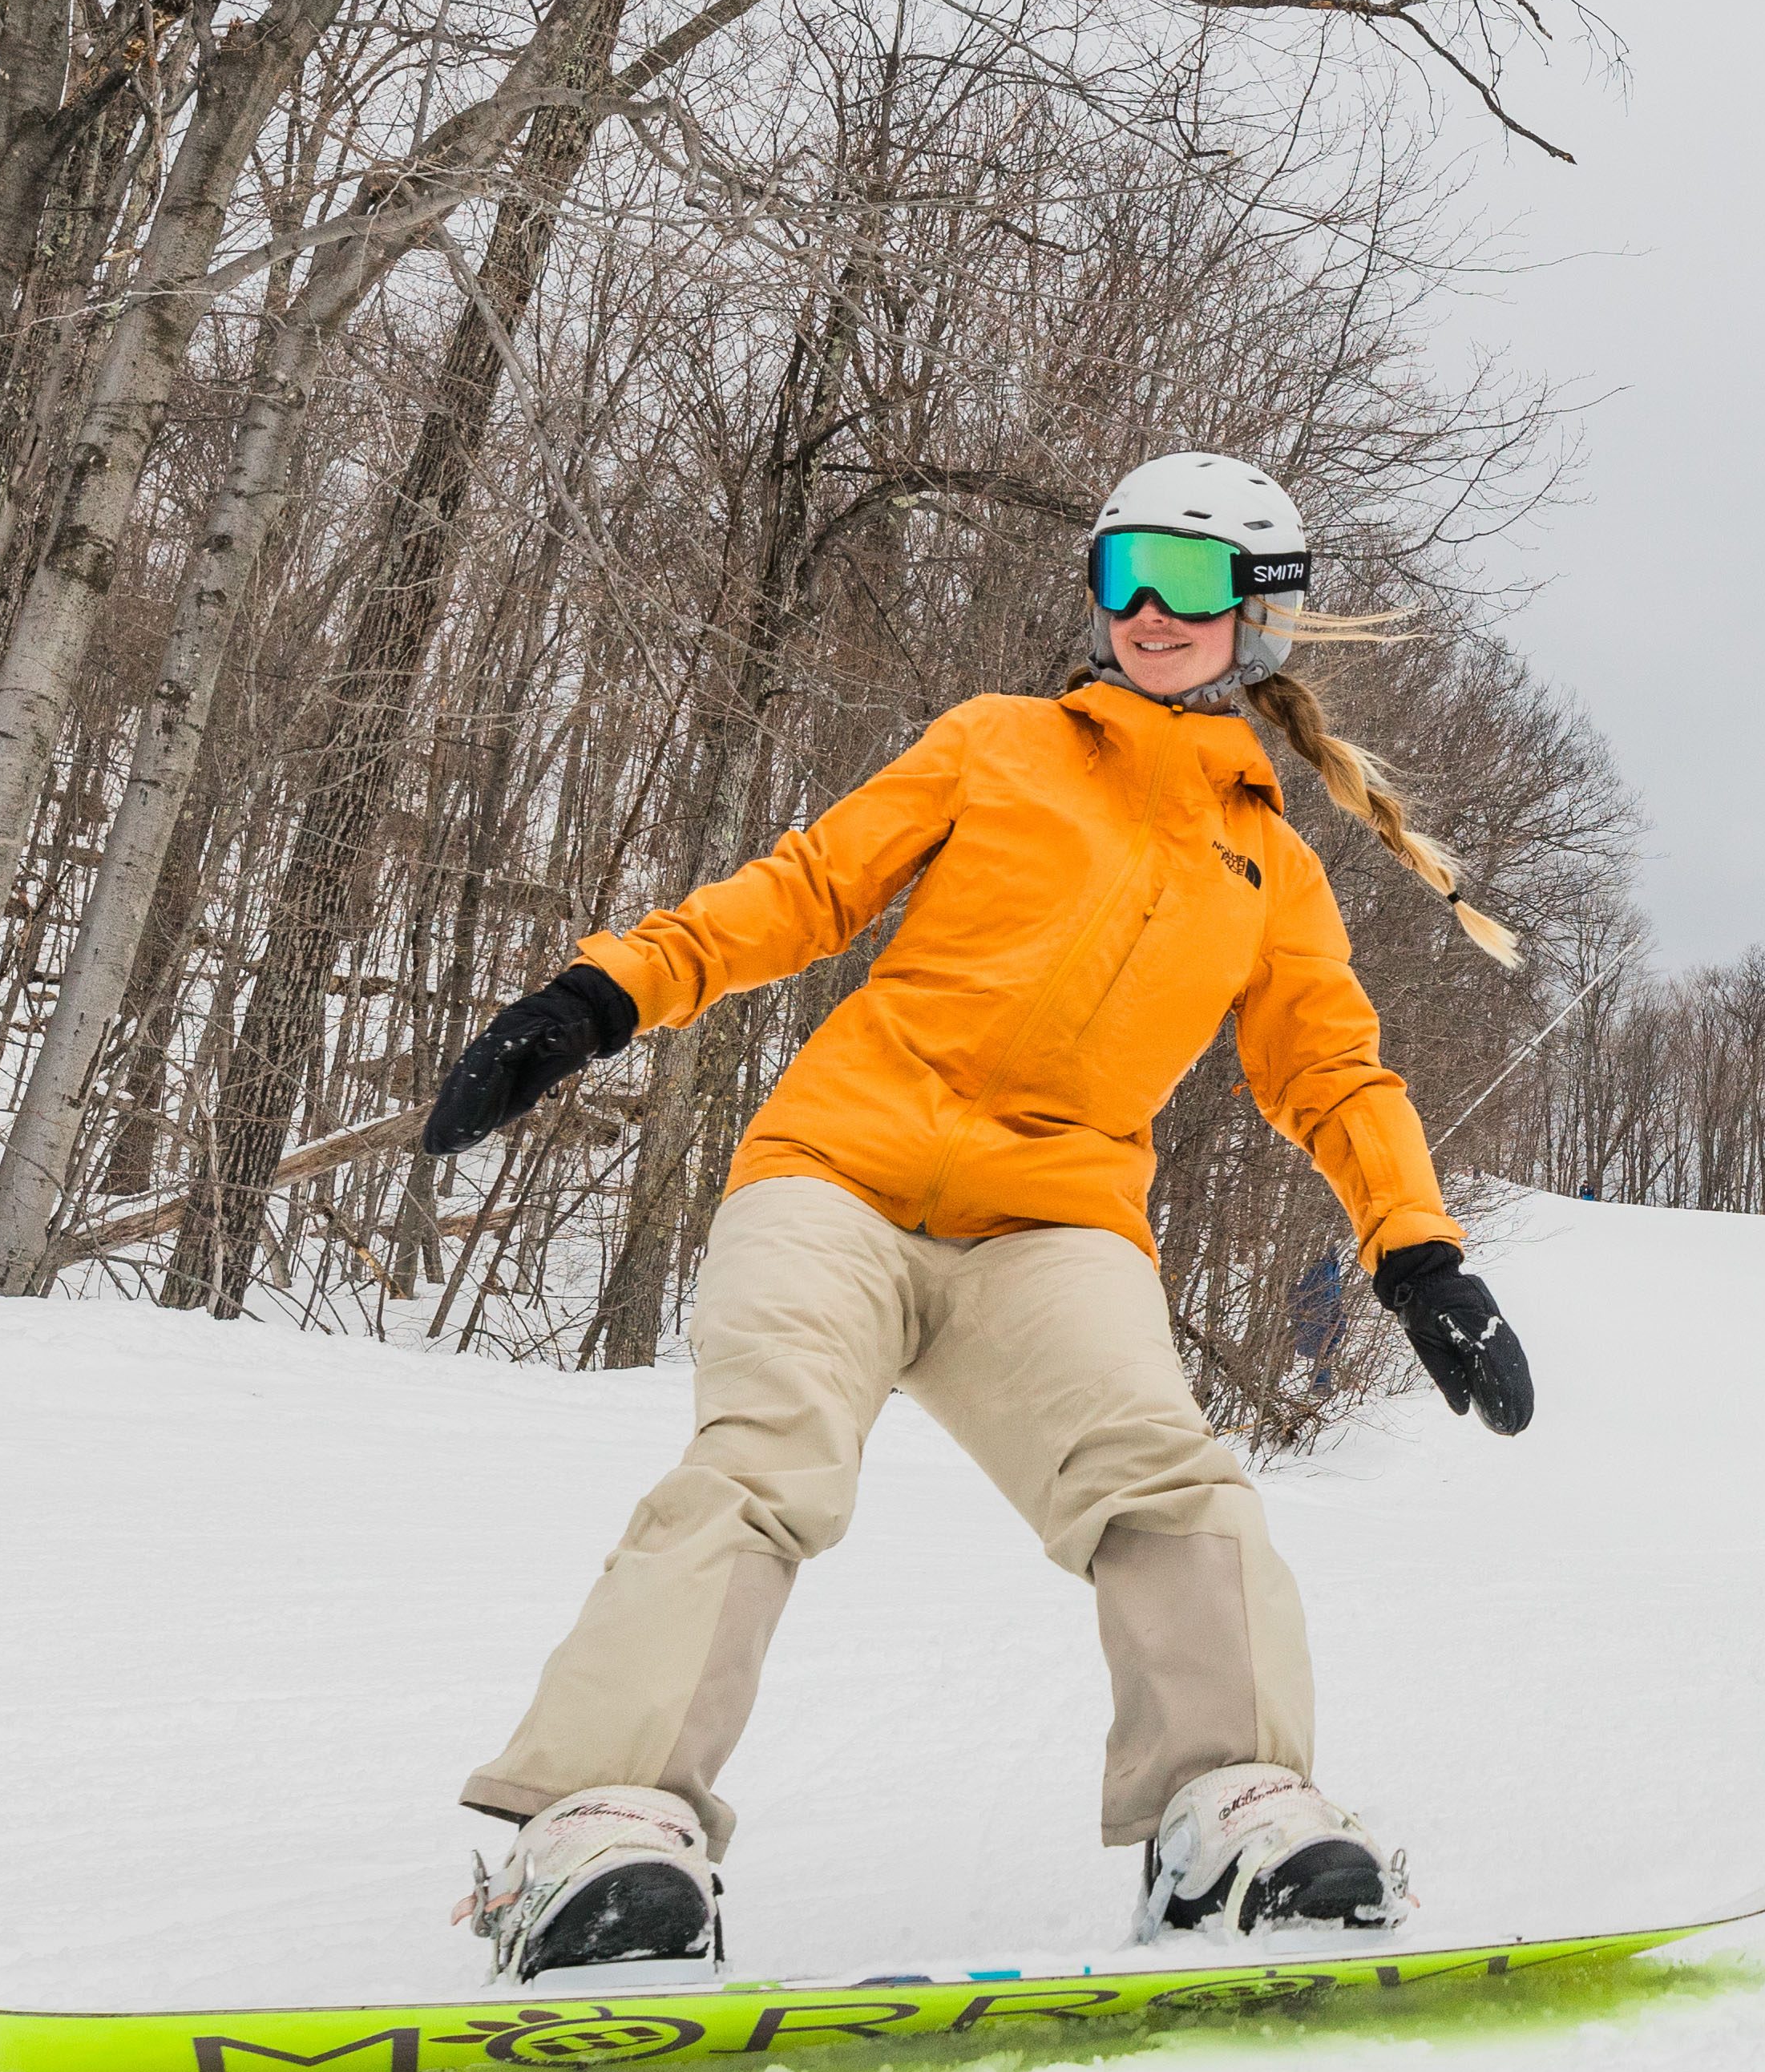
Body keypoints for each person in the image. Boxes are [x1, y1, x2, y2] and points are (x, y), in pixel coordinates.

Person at [418, 453, 1537, 1981]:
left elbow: (1331, 1071)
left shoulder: (1269, 863)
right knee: (766, 1460)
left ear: (1258, 619)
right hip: (837, 1172)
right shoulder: (996, 745)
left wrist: (1417, 1251)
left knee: (1168, 1480)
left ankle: (1229, 1814)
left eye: (1192, 579)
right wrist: (600, 994)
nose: (1148, 607)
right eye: (1124, 566)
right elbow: (806, 889)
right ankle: (600, 1831)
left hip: (1053, 1224)